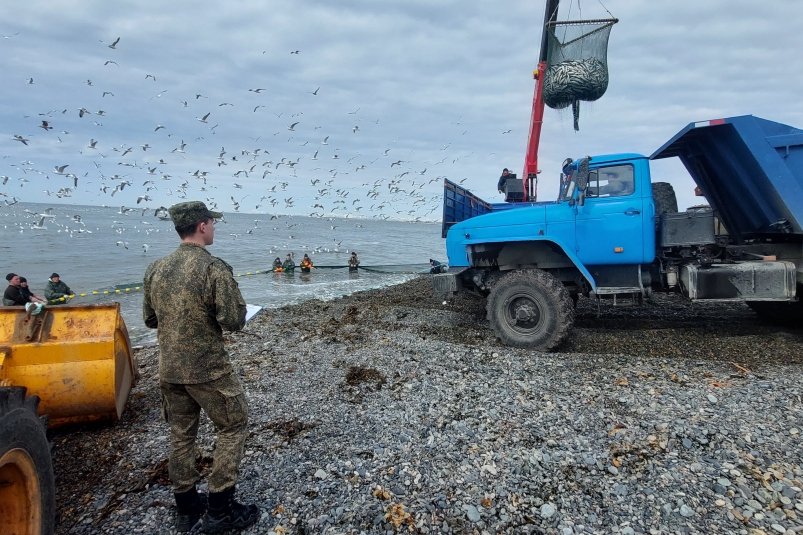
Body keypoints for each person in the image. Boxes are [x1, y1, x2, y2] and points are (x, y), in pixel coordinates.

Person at [142, 201, 258, 533]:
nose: (214, 229)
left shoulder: (156, 268)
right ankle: (221, 510)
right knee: (233, 426)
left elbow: (150, 319)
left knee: (181, 434)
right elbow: (233, 319)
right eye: (212, 223)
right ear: (203, 226)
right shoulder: (213, 268)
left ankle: (187, 508)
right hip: (208, 369)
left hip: (170, 368)